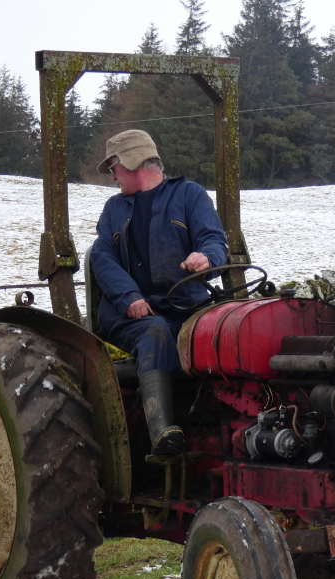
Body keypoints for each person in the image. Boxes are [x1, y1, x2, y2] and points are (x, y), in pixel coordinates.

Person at [89, 129, 228, 455]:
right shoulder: (113, 209)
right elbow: (102, 257)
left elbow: (213, 239)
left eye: (114, 168)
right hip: (130, 314)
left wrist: (206, 256)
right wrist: (129, 298)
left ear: (132, 162)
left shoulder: (190, 195)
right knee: (155, 332)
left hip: (184, 306)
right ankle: (162, 433)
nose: (113, 178)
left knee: (221, 333)